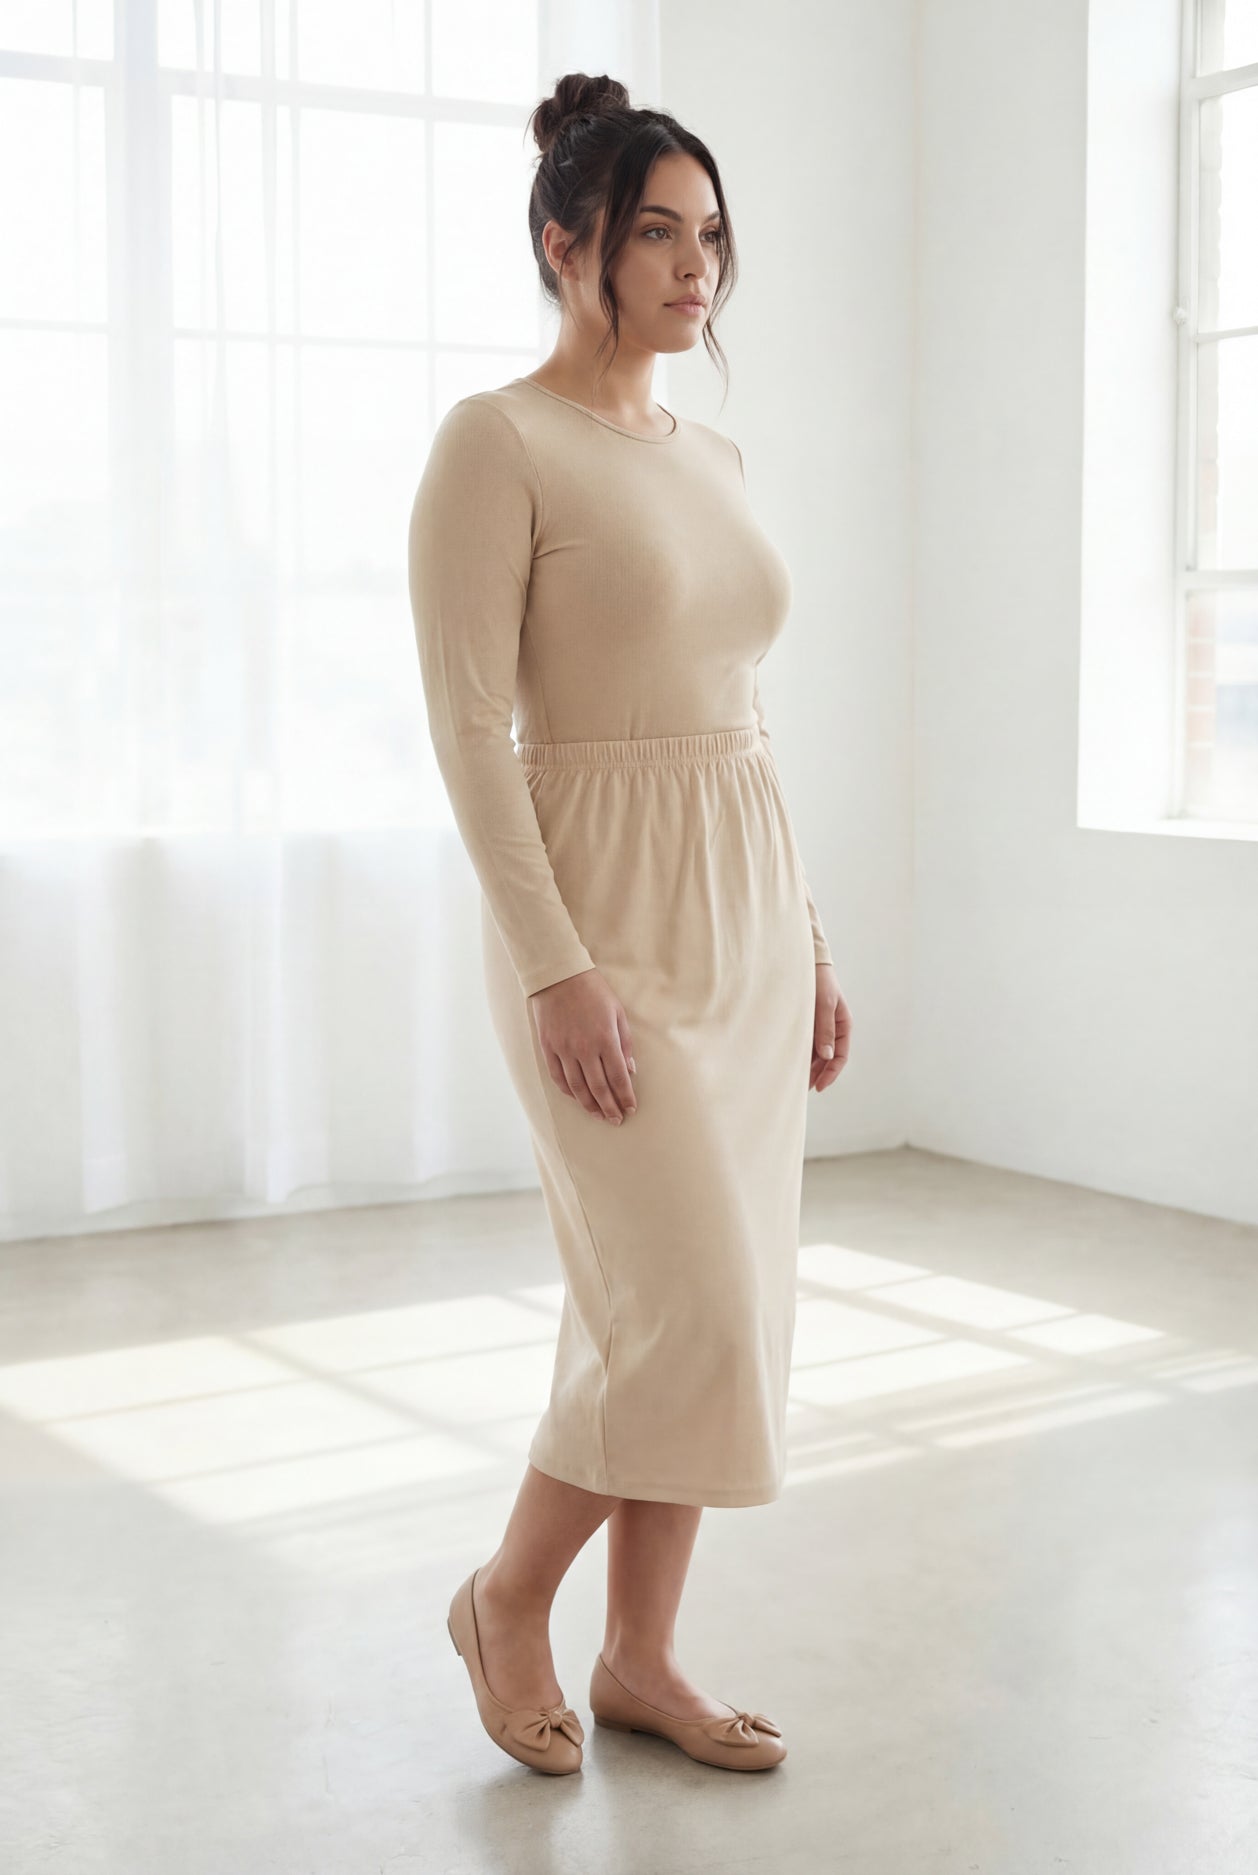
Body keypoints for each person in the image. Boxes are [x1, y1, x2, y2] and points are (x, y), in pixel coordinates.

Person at [408, 71, 852, 1777]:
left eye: (710, 234)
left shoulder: (716, 454)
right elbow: (468, 728)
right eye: (656, 233)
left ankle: (643, 1657)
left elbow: (741, 716)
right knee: (678, 1309)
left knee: (720, 1300)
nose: (696, 268)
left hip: (741, 906)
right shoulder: (496, 443)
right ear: (565, 241)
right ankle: (506, 1602)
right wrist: (553, 965)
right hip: (597, 913)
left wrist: (805, 935)